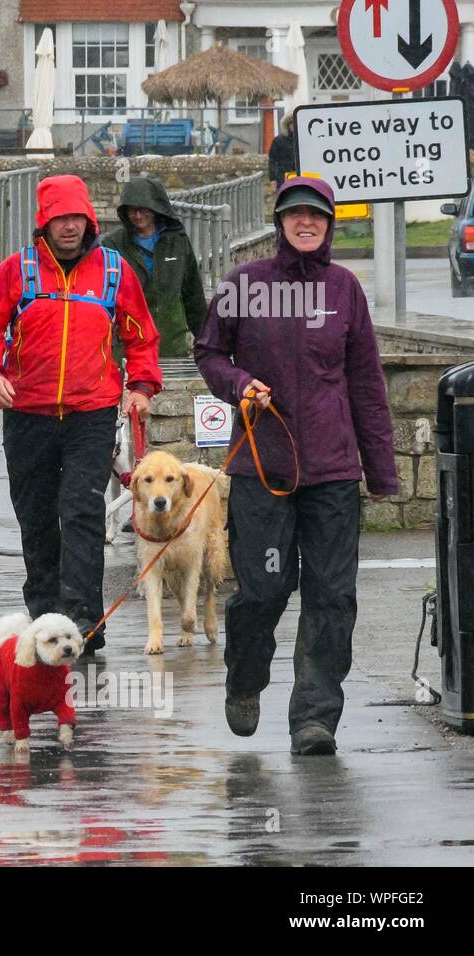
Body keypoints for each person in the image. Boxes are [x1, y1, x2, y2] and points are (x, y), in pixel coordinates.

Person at [194, 176, 397, 755]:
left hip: (332, 471)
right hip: (265, 470)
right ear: (280, 223)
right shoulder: (245, 285)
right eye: (294, 215)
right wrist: (238, 384)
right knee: (263, 590)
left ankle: (314, 717)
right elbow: (209, 351)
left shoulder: (345, 288)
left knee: (333, 595)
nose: (305, 224)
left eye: (317, 216)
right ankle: (245, 676)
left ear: (330, 224)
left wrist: (380, 471)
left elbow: (365, 383)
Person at [0, 174, 162, 652]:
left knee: (80, 513)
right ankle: (44, 618)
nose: (70, 227)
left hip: (90, 413)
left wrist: (140, 386)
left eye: (77, 217)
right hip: (27, 412)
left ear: (89, 220)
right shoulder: (17, 271)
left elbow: (141, 337)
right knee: (35, 516)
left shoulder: (114, 271)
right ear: (45, 222)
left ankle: (83, 622)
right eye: (60, 219)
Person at [101, 175, 208, 358]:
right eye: (132, 211)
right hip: (128, 350)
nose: (138, 216)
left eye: (143, 210)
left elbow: (193, 295)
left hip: (171, 347)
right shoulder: (113, 246)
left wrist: (208, 344)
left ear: (156, 209)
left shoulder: (177, 242)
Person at [268, 112, 298, 186]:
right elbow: (272, 160)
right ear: (287, 125)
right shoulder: (278, 140)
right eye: (291, 123)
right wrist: (273, 178)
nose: (293, 125)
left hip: (301, 175)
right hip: (283, 177)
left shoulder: (302, 140)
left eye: (295, 122)